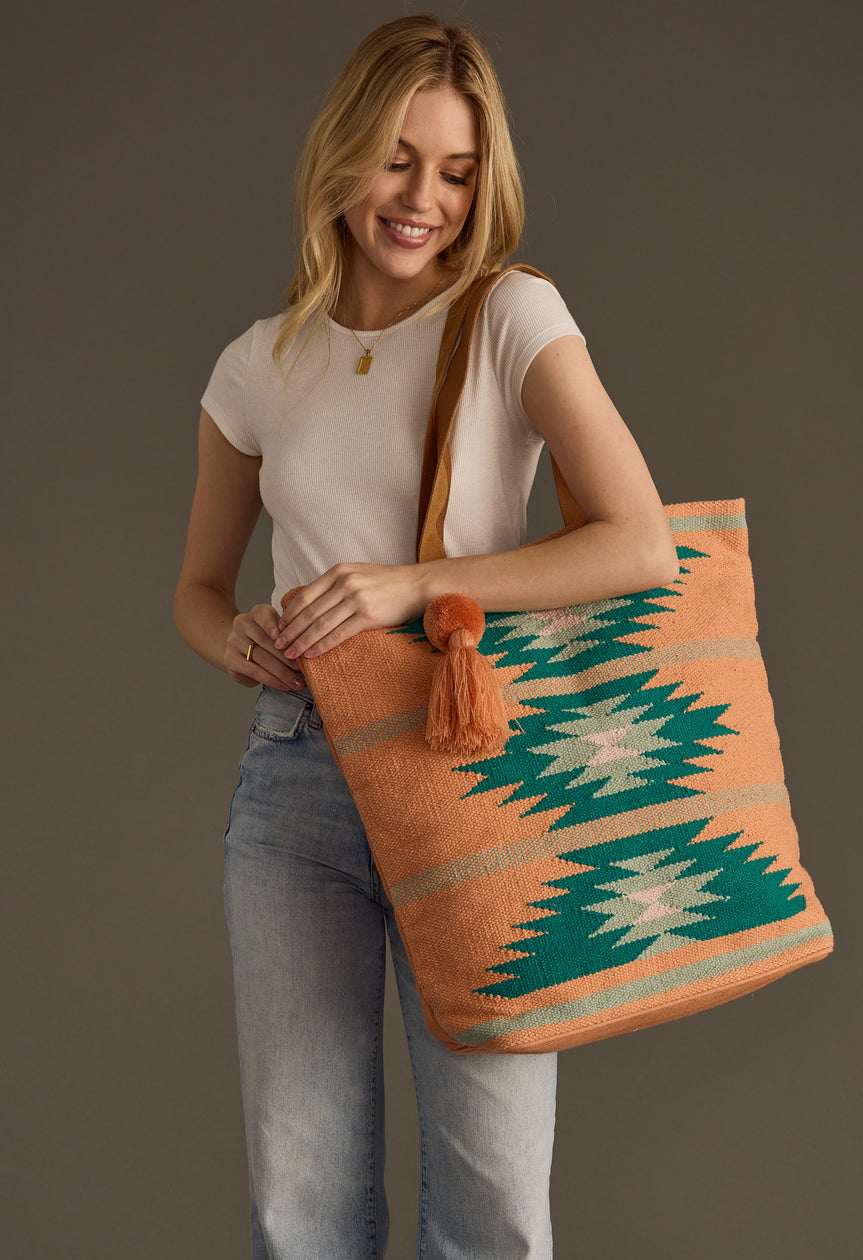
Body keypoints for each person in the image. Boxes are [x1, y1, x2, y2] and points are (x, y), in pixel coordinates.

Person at [174, 14, 679, 1259]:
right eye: (399, 158)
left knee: (496, 1207)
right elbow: (194, 585)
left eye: (456, 171)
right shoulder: (258, 365)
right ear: (343, 150)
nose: (424, 199)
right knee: (300, 1210)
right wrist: (228, 634)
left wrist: (408, 586)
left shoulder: (510, 313)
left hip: (474, 760)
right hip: (298, 778)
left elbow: (641, 543)